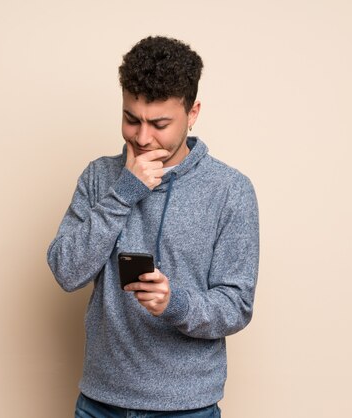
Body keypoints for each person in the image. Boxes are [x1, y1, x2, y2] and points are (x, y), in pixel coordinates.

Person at [47, 36, 259, 417]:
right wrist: (124, 192)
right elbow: (66, 271)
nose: (142, 138)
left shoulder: (230, 190)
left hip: (186, 408)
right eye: (131, 119)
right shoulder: (100, 177)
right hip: (100, 402)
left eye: (159, 124)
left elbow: (236, 306)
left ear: (192, 113)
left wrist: (173, 302)